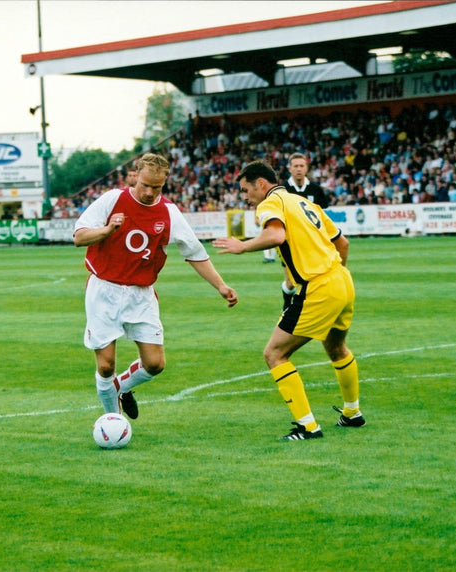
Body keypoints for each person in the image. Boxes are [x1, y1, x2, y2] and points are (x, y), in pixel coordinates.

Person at [73, 153, 238, 420]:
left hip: (141, 294)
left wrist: (220, 285)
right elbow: (79, 237)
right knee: (105, 366)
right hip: (104, 290)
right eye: (145, 185)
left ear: (165, 183)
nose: (150, 192)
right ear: (135, 175)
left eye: (157, 187)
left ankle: (122, 388)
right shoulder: (112, 199)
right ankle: (114, 422)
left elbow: (194, 252)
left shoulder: (169, 213)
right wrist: (106, 231)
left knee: (154, 364)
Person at [212, 160, 364, 441]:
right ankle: (352, 413)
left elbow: (275, 234)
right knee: (336, 347)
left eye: (246, 191)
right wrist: (334, 276)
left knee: (274, 354)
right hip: (343, 280)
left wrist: (242, 246)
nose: (246, 198)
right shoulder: (303, 202)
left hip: (319, 287)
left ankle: (307, 426)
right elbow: (342, 244)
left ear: (261, 183)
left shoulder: (271, 202)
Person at [279, 152, 333, 307]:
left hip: (313, 242)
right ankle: (287, 303)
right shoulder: (283, 189)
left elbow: (324, 217)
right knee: (291, 282)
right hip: (289, 242)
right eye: (295, 166)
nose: (298, 169)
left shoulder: (316, 190)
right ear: (289, 168)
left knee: (313, 278)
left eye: (301, 166)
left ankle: (307, 308)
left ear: (306, 168)